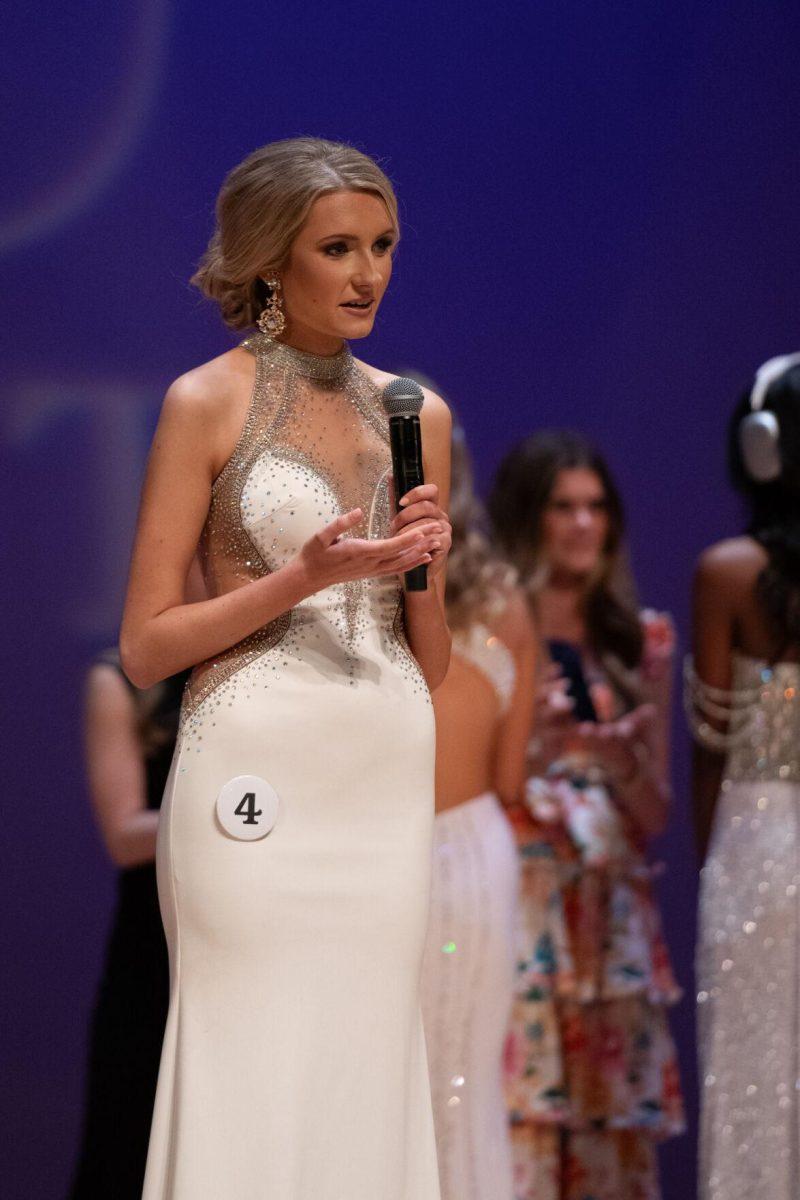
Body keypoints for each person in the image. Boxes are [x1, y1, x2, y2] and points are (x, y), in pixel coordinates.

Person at [119, 137, 452, 1200]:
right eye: (338, 248)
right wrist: (296, 579)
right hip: (253, 773)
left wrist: (424, 566)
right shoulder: (203, 402)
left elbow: (429, 660)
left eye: (383, 245)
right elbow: (145, 647)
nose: (368, 274)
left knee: (367, 1056)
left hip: (381, 770)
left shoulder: (416, 413)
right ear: (271, 261)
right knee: (250, 1055)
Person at [489, 431, 684, 1200]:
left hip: (610, 918)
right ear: (527, 518)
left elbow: (656, 813)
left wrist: (615, 756)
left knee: (608, 1140)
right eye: (562, 507)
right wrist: (540, 740)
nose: (582, 525)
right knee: (520, 1126)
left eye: (596, 507)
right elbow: (482, 788)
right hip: (525, 907)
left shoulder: (640, 640)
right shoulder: (493, 628)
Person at [689, 354, 800, 1200]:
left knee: (754, 1066)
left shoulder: (726, 572)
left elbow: (711, 737)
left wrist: (709, 863)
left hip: (757, 841)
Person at [419, 421, 536, 1200]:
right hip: (481, 854)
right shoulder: (508, 602)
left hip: (391, 855)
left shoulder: (354, 592)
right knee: (466, 1077)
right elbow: (511, 780)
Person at [68, 652, 190, 1200]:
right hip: (154, 952)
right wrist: (233, 817)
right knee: (131, 1141)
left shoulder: (272, 662)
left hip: (252, 945)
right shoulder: (120, 679)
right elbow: (123, 834)